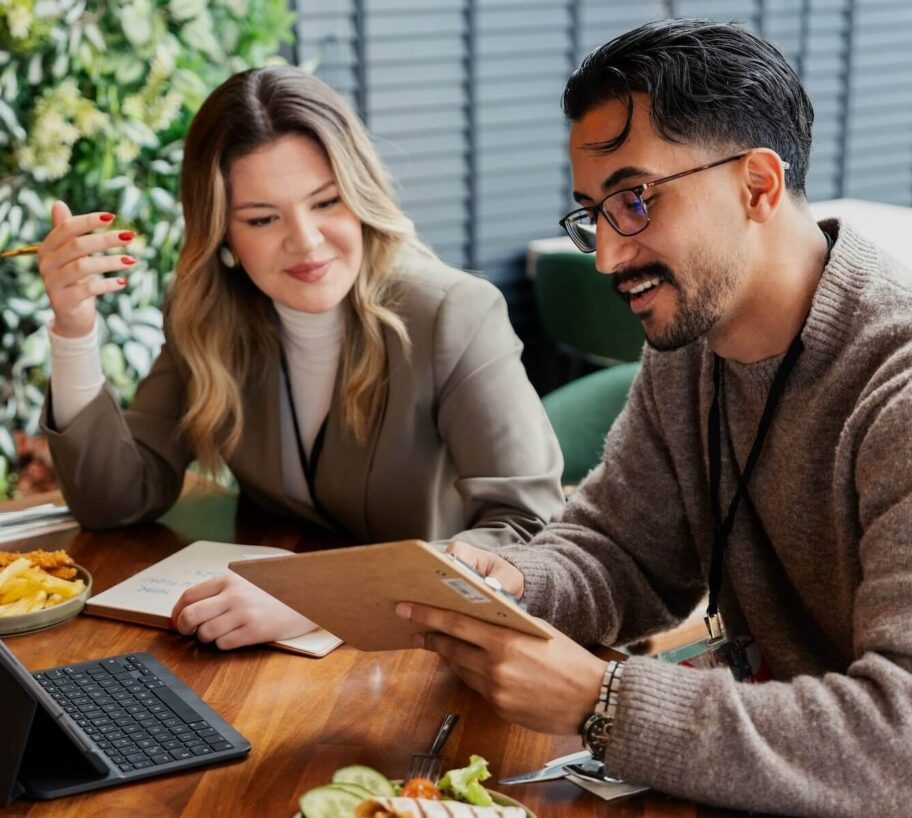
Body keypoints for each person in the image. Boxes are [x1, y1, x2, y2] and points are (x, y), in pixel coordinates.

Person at [394, 19, 912, 817]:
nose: (607, 257)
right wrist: (517, 584)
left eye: (635, 200)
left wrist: (604, 700)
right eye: (594, 212)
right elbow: (625, 550)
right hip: (796, 777)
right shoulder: (694, 344)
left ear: (757, 185)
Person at [37, 66, 564, 650]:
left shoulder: (453, 313)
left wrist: (317, 597)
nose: (307, 241)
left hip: (426, 651)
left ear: (362, 195)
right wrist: (74, 328)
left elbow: (528, 532)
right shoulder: (209, 314)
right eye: (263, 219)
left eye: (326, 202)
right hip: (275, 658)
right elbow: (116, 500)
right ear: (223, 235)